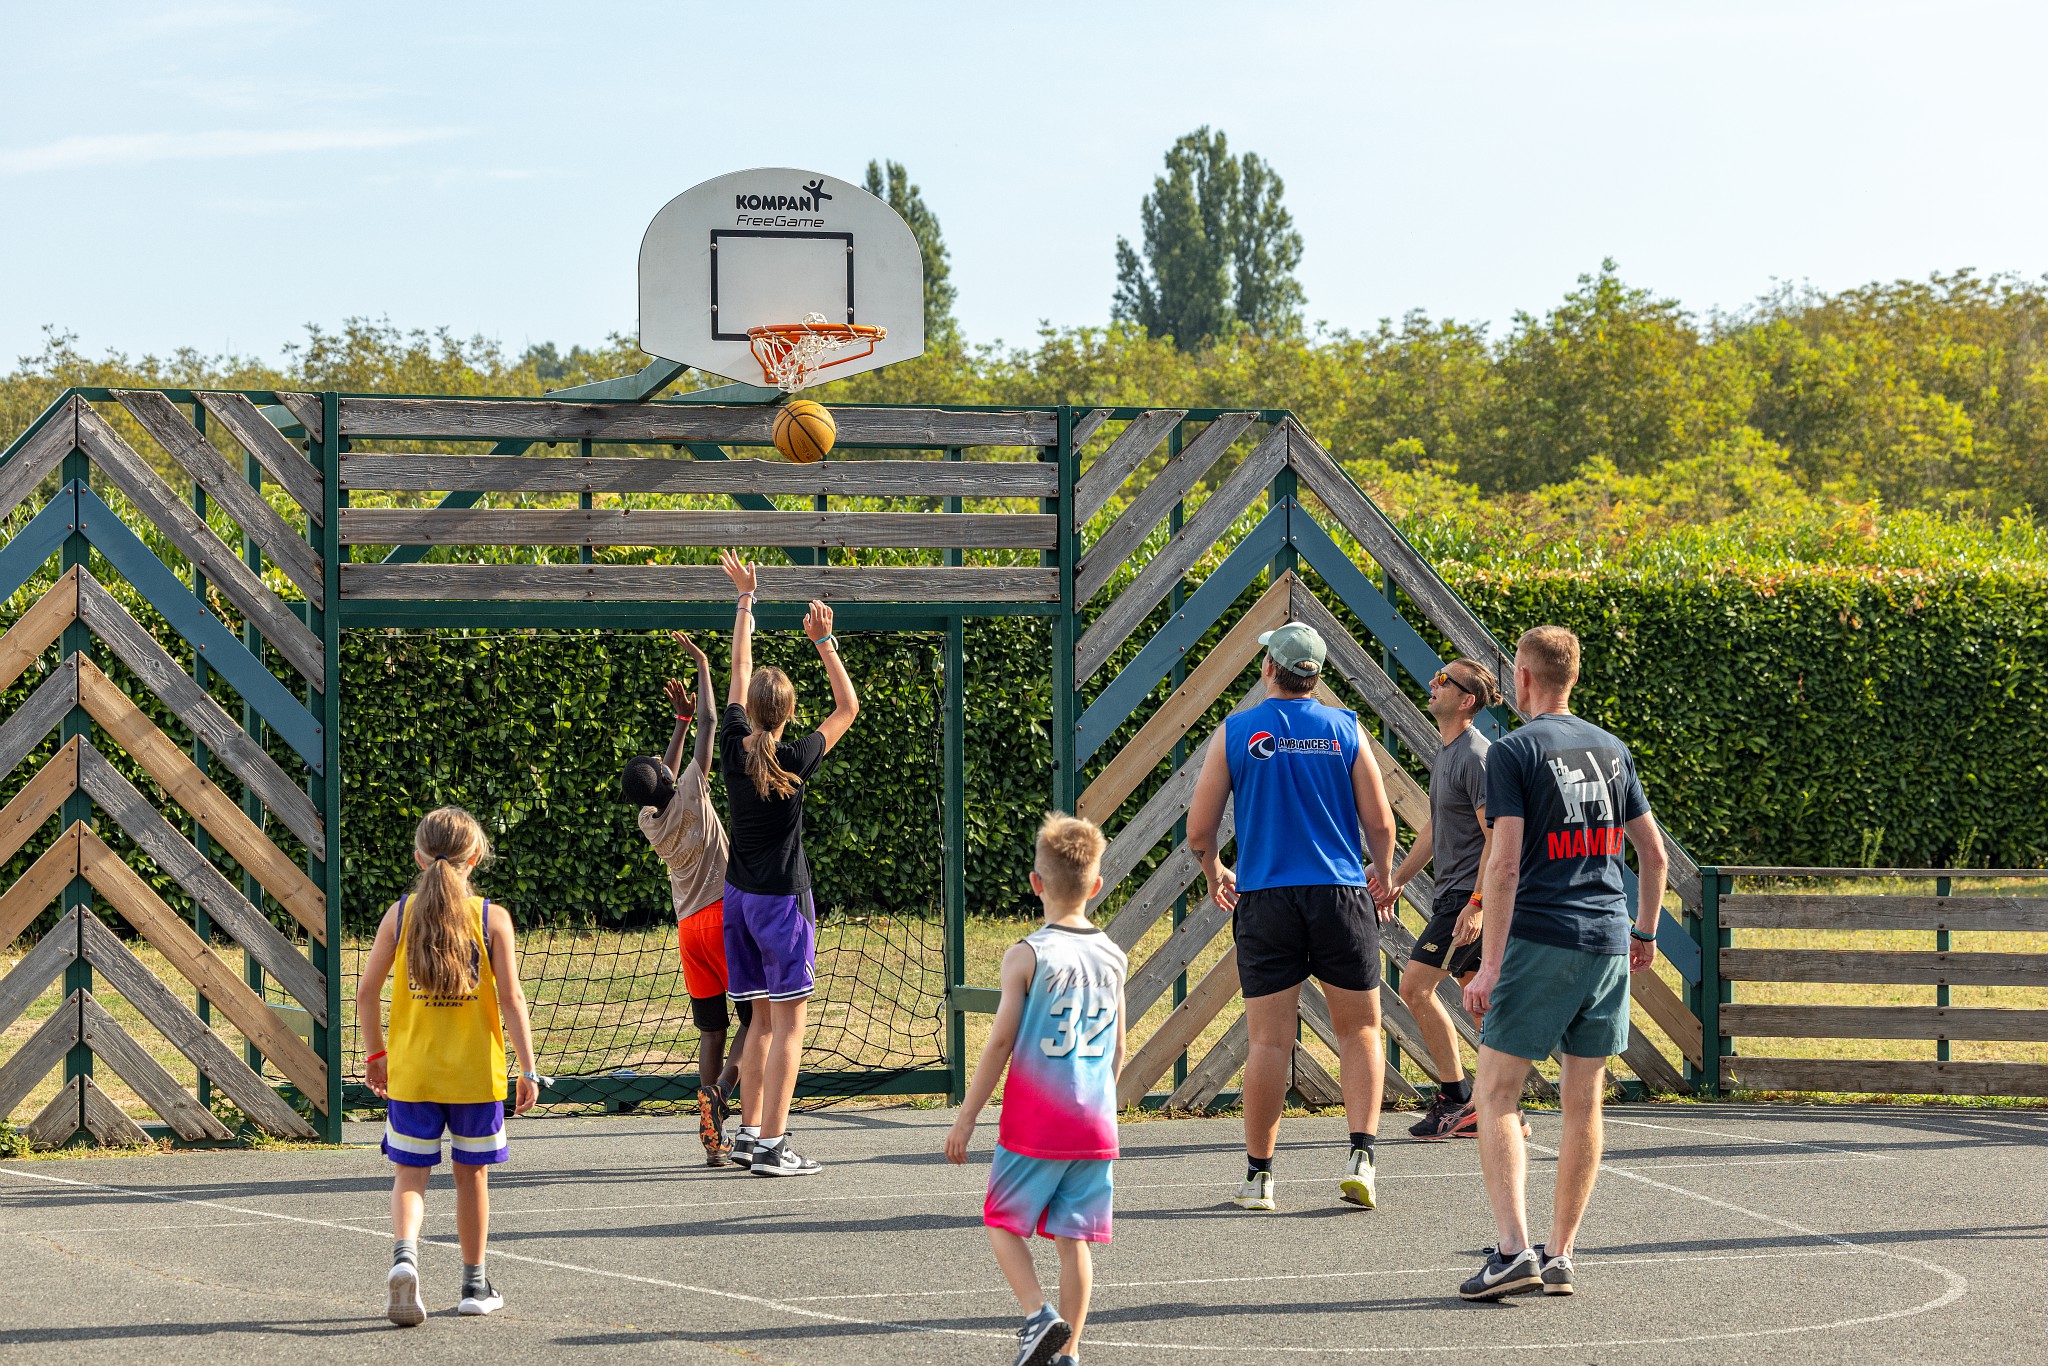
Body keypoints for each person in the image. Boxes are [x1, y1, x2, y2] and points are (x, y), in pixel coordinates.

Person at [1458, 626, 1668, 1301]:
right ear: (1571, 677)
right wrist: (1645, 932)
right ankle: (1562, 1255)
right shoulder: (1612, 749)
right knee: (1584, 1103)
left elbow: (1507, 862)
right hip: (1608, 938)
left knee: (1495, 1094)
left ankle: (1513, 1250)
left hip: (1543, 937)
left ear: (1522, 677)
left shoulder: (1514, 752)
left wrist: (1488, 966)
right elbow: (1654, 857)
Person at [1186, 621, 1399, 1213]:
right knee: (1359, 1029)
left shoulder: (1235, 732)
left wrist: (1215, 869)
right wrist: (1380, 873)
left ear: (1269, 670)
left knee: (1269, 1041)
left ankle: (1259, 1179)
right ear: (1318, 674)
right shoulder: (1345, 729)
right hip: (1339, 891)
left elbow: (1199, 832)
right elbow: (1380, 823)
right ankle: (1362, 1159)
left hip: (1267, 898)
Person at [946, 813, 1125, 1366]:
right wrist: (1097, 1098)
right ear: (1096, 887)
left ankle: (1037, 1315)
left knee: (1001, 1221)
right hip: (1095, 1121)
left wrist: (968, 1116)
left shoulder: (1027, 954)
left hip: (1036, 1120)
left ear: (1035, 882)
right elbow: (1118, 1049)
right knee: (1075, 1240)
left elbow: (999, 1045)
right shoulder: (1114, 957)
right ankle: (1070, 1351)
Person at [357, 806, 539, 1327]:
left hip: (413, 1074)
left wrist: (376, 1057)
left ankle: (405, 1258)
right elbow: (512, 999)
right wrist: (527, 1069)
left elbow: (366, 994)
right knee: (471, 1177)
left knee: (410, 1176)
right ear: (475, 857)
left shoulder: (399, 914)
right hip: (475, 1076)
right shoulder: (492, 917)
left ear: (418, 856)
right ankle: (475, 1284)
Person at [717, 550, 860, 1176]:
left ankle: (749, 1133)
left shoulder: (730, 746)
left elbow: (739, 668)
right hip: (781, 905)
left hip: (738, 903)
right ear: (791, 712)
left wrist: (747, 600)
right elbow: (848, 707)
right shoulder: (797, 756)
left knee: (758, 1023)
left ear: (750, 708)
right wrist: (825, 642)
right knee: (787, 1029)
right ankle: (773, 1146)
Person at [1371, 657, 1527, 1141]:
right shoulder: (1450, 753)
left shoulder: (1478, 756)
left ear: (1466, 700)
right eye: (1434, 674)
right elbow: (1437, 827)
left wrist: (1478, 903)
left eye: (1444, 680)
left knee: (1416, 988)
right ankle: (1495, 1106)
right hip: (1454, 895)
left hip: (1465, 898)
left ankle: (1458, 1098)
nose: (1432, 683)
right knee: (1481, 1005)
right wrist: (1397, 877)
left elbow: (1495, 835)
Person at [620, 629, 749, 1166]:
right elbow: (715, 725)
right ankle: (720, 1093)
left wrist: (679, 722)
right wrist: (702, 665)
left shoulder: (651, 819)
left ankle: (711, 1140)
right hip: (722, 916)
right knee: (757, 1021)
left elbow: (663, 772)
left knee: (711, 1028)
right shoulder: (694, 790)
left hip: (687, 928)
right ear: (672, 778)